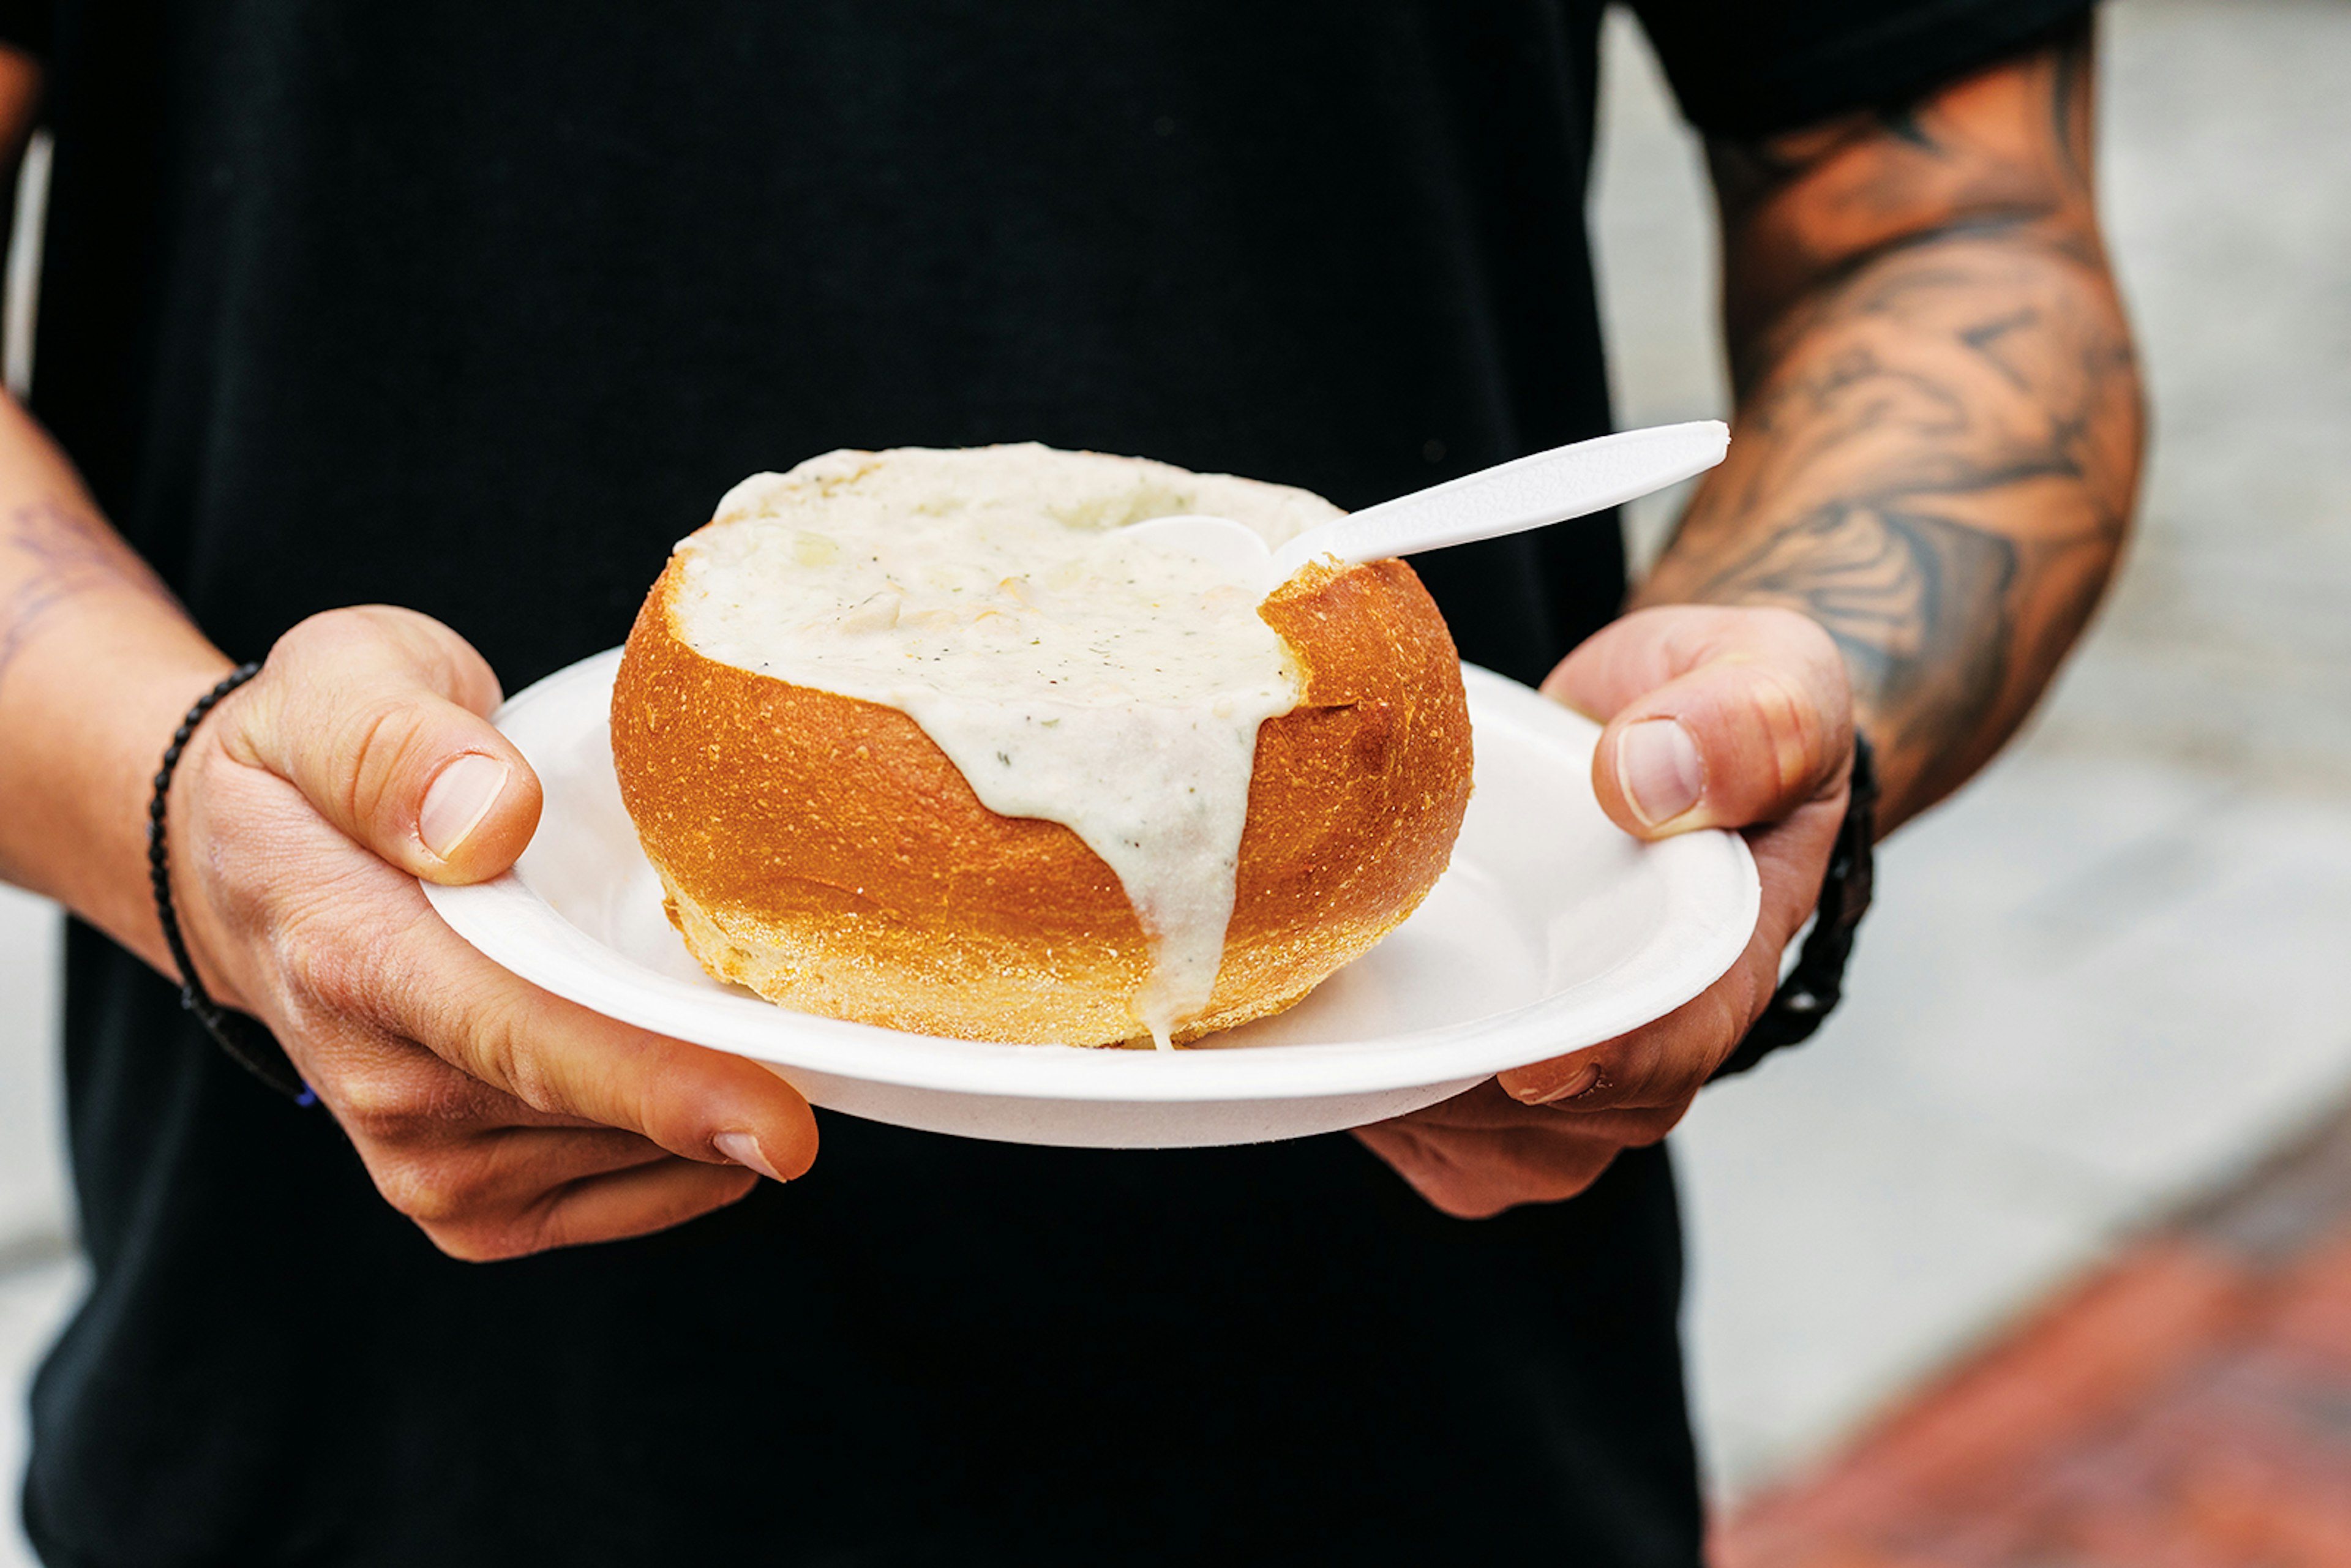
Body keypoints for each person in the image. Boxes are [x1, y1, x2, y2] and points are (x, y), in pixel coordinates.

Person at [0, 2, 2139, 1562]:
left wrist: (1777, 721)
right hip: (346, 1411)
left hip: (1415, 1378)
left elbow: (1947, 223)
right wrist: (183, 807)